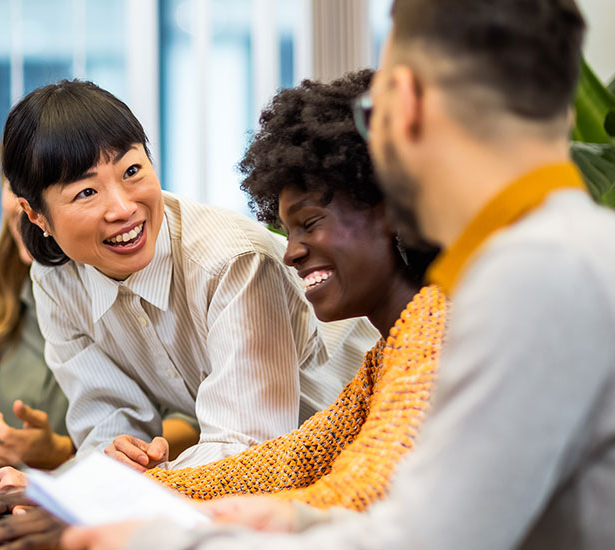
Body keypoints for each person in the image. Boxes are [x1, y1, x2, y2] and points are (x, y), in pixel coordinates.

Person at [62, 0, 615, 548]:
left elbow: (416, 538)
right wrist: (281, 518)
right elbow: (297, 463)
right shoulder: (556, 255)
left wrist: (156, 539)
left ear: (407, 107)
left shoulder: (533, 278)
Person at [0, 68, 448, 549]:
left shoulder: (424, 341)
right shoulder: (382, 366)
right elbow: (283, 464)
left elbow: (332, 487)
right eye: (85, 191)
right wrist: (77, 495)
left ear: (391, 211)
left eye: (133, 171)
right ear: (37, 216)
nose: (290, 251)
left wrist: (108, 506)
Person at [0, 181, 200, 469]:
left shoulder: (138, 280)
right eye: (15, 187)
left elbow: (192, 419)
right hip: (8, 499)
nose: (26, 206)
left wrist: (66, 450)